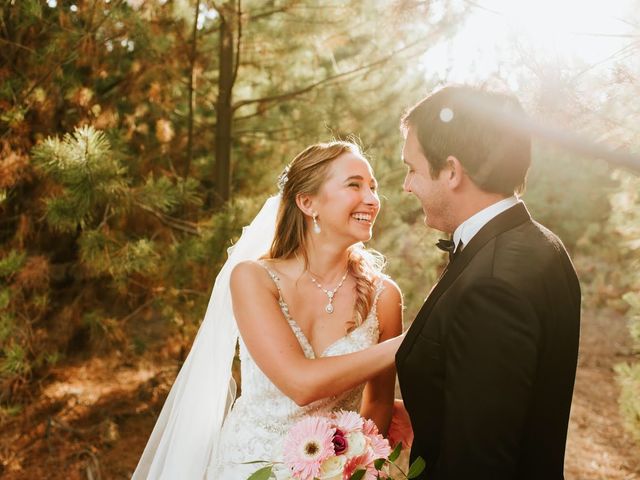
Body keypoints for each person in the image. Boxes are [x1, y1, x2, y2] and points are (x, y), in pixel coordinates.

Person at [133, 141, 404, 480]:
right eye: (355, 184)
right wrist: (408, 343)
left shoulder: (384, 296)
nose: (372, 199)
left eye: (373, 187)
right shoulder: (254, 279)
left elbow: (377, 403)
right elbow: (299, 384)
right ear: (307, 203)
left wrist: (356, 468)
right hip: (247, 466)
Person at [395, 86, 581, 479]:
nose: (406, 185)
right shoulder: (541, 243)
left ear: (451, 171)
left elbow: (479, 463)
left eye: (411, 168)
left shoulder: (493, 285)